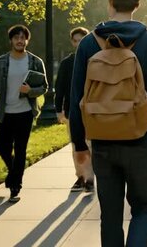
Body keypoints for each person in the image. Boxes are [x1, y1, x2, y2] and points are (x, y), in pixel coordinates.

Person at [69, 0, 147, 247]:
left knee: (110, 217)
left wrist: (80, 145)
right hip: (141, 139)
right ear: (137, 4)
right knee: (143, 209)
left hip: (103, 141)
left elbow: (76, 99)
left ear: (110, 1)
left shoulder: (88, 44)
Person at [0, 25, 48, 203]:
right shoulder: (2, 62)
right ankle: (13, 171)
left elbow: (44, 87)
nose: (20, 41)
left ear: (27, 40)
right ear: (11, 40)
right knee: (2, 148)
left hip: (25, 113)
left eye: (23, 38)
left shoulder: (36, 61)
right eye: (16, 38)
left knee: (20, 150)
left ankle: (15, 186)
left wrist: (30, 91)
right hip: (5, 113)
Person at [55, 26, 94, 193]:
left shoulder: (94, 60)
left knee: (90, 145)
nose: (78, 44)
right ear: (72, 42)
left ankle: (90, 179)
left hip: (91, 111)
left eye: (81, 40)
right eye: (76, 41)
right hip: (72, 112)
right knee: (76, 147)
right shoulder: (67, 63)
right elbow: (60, 88)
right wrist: (58, 109)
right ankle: (80, 177)